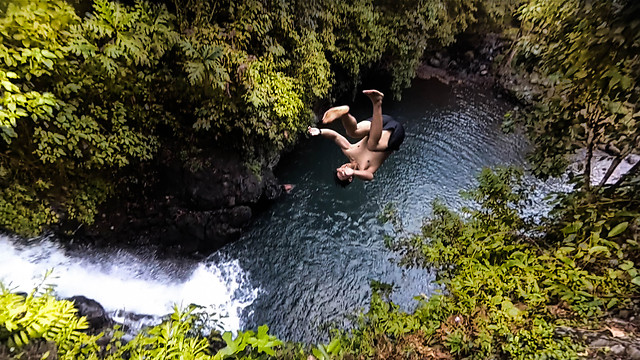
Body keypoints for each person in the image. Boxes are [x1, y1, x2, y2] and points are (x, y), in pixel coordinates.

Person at [308, 89, 405, 186]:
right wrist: (354, 172)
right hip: (394, 134)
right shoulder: (363, 169)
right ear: (350, 178)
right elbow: (370, 176)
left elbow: (335, 137)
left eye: (340, 170)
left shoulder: (349, 151)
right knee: (372, 145)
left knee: (353, 132)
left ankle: (344, 114)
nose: (342, 169)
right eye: (343, 174)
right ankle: (377, 102)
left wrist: (320, 131)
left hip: (380, 121)